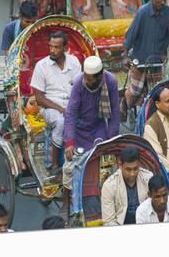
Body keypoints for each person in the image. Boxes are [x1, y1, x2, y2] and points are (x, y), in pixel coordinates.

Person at [61, 55, 120, 218]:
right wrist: (70, 142)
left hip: (98, 128)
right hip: (79, 129)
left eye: (90, 78)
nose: (87, 80)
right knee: (69, 168)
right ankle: (66, 203)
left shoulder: (111, 82)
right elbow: (71, 113)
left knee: (105, 166)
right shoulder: (79, 82)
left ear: (99, 76)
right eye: (85, 76)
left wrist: (110, 141)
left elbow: (115, 114)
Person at [30, 31, 81, 169]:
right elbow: (39, 98)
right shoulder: (42, 66)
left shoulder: (74, 62)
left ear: (65, 48)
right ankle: (54, 163)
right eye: (50, 46)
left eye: (56, 47)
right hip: (50, 108)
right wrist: (62, 110)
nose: (52, 50)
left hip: (72, 104)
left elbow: (79, 88)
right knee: (61, 122)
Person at [122, 0, 169, 112]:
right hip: (140, 59)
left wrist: (164, 53)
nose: (162, 2)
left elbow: (167, 35)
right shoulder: (143, 12)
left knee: (156, 93)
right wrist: (125, 56)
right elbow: (131, 35)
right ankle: (124, 103)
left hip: (156, 61)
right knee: (135, 91)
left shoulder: (167, 12)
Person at [101, 146, 153, 225]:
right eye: (128, 169)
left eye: (135, 169)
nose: (132, 174)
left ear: (139, 164)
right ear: (120, 165)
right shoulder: (109, 186)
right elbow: (109, 221)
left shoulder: (148, 178)